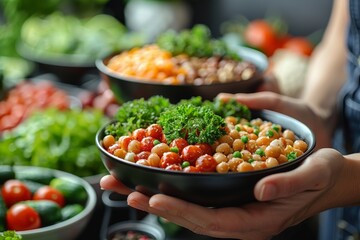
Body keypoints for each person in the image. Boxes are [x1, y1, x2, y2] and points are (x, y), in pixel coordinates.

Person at [100, 0, 360, 239]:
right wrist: (319, 114)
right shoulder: (237, 145)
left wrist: (347, 180)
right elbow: (342, 37)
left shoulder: (243, 152)